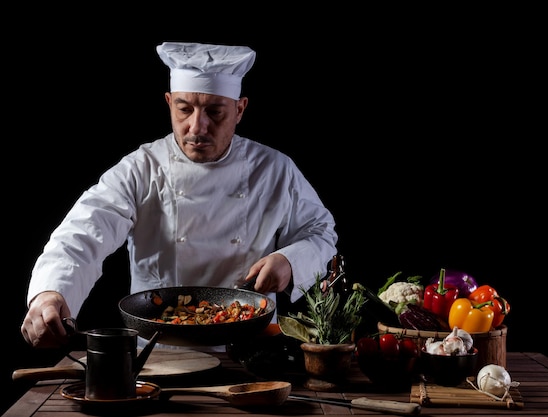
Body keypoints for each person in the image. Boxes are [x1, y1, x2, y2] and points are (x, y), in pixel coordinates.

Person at [20, 41, 338, 350]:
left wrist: (290, 260)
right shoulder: (141, 169)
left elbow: (321, 233)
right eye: (184, 109)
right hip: (158, 353)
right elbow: (86, 230)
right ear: (169, 103)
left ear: (240, 109)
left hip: (249, 352)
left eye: (215, 112)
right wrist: (51, 294)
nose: (197, 127)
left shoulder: (275, 170)